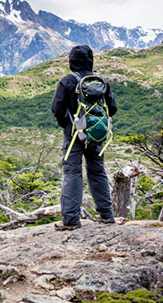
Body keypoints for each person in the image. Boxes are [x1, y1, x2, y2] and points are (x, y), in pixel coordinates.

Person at [51, 44, 117, 230]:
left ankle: (71, 220)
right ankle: (107, 216)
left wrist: (66, 124)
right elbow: (112, 108)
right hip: (97, 134)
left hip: (73, 134)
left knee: (73, 173)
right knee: (98, 171)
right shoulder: (100, 82)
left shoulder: (67, 81)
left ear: (71, 61)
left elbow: (56, 108)